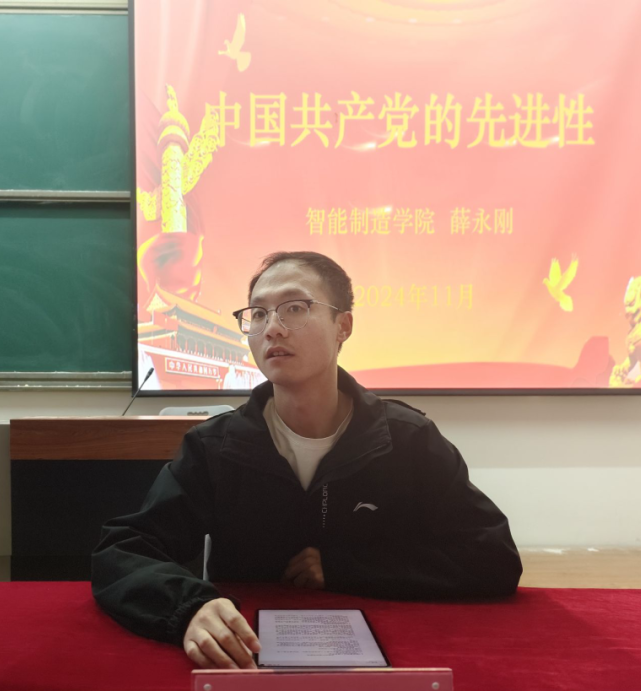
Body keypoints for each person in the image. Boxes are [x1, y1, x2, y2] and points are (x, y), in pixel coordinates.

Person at [92, 251, 521, 669]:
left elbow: (491, 556)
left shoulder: (406, 440)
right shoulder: (216, 447)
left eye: (294, 308)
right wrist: (188, 606)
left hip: (391, 663)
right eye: (258, 314)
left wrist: (346, 568)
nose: (272, 329)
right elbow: (125, 549)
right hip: (248, 658)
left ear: (343, 326)